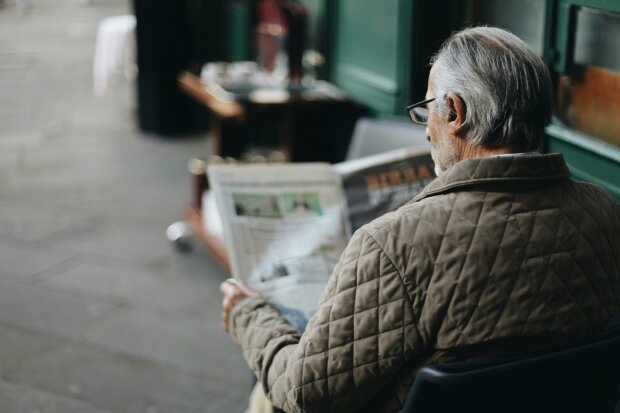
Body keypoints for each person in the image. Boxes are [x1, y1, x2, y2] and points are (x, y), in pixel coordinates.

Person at [219, 26, 620, 413]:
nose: (427, 131)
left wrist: (247, 314)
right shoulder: (605, 212)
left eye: (428, 108)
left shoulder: (394, 245)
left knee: (271, 386)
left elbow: (305, 395)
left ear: (456, 112)